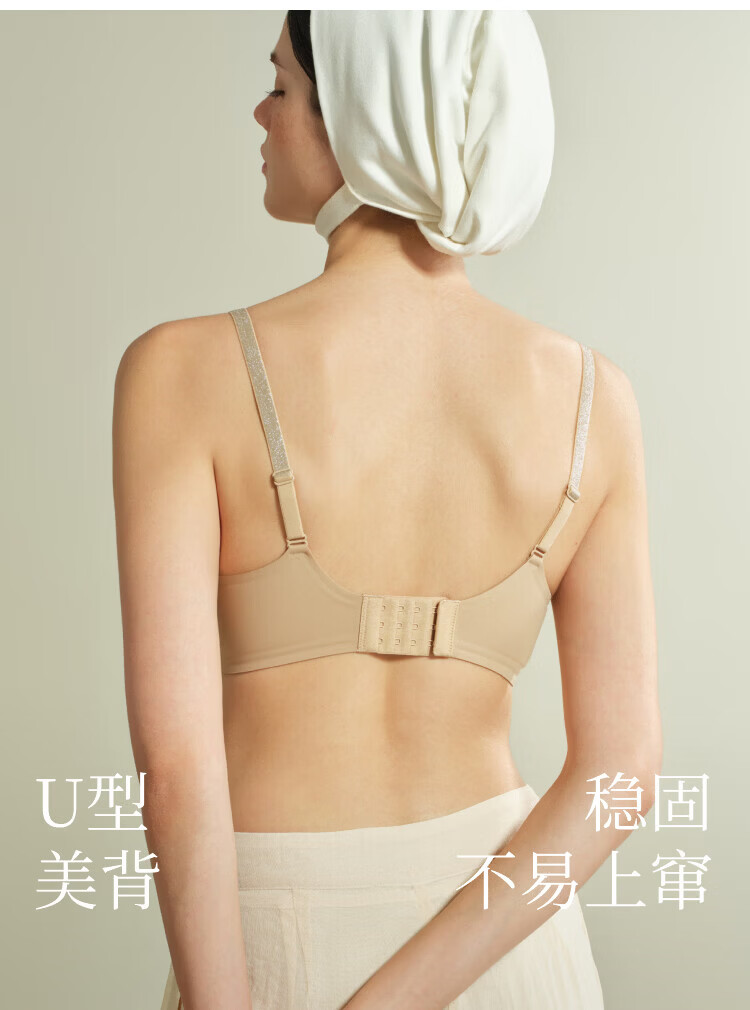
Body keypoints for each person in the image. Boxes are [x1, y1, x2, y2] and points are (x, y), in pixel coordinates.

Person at [112, 11, 661, 1010]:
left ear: (364, 114)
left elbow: (178, 768)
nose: (261, 114)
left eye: (282, 88)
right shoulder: (594, 400)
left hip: (271, 940)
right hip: (505, 947)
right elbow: (621, 771)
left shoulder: (180, 373)